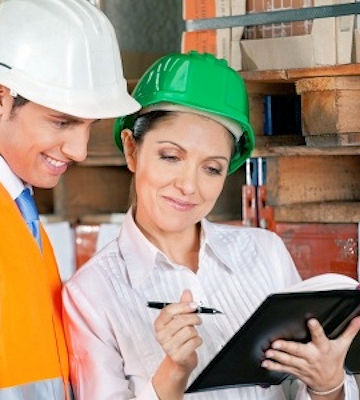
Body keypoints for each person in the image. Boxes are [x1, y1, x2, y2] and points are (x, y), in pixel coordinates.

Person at [62, 51, 360, 400]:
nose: (189, 186)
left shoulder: (265, 253)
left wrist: (328, 385)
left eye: (212, 168)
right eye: (171, 157)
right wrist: (172, 374)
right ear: (131, 149)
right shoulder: (91, 295)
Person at [0, 0, 140, 399]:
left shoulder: (5, 200)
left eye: (88, 126)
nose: (78, 150)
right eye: (62, 122)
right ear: (0, 96)